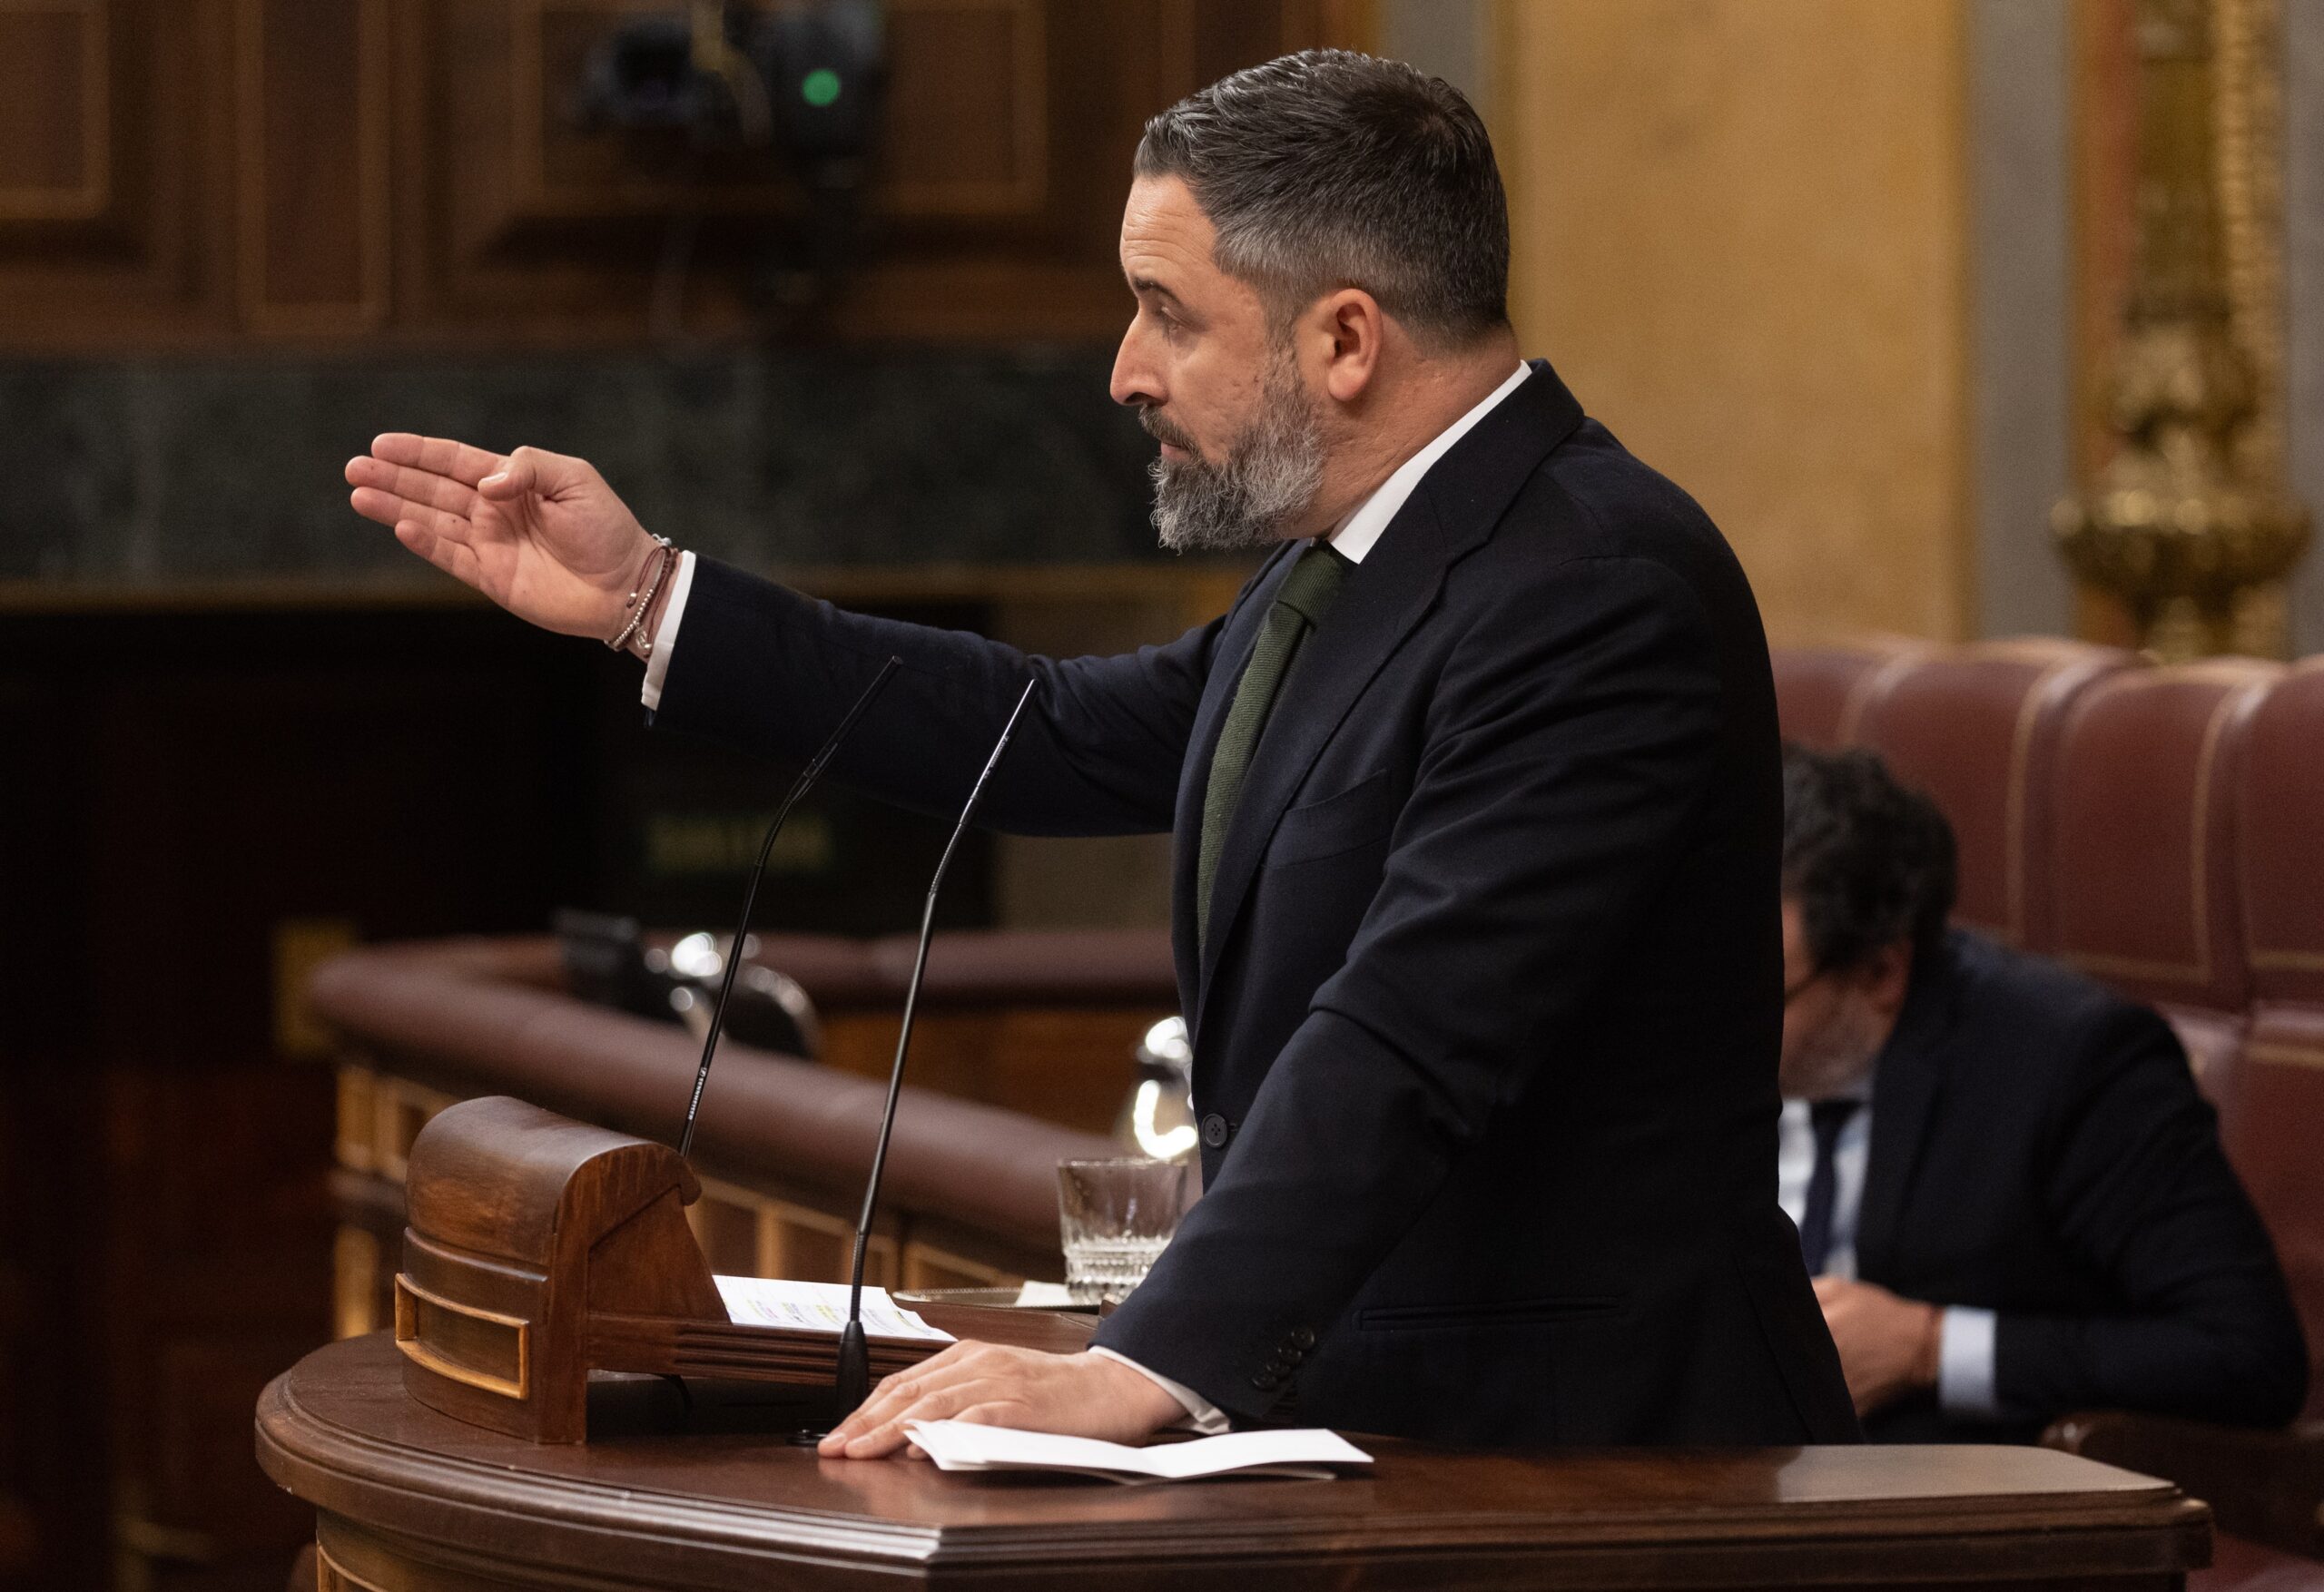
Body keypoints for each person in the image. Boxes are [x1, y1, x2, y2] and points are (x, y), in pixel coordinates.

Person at [348, 50, 1856, 1457]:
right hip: (1411, 1432)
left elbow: (1412, 1034)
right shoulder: (1358, 559)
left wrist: (1144, 1361)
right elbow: (1055, 731)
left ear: (1344, 338)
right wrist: (646, 598)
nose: (1126, 370)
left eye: (1167, 312)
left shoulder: (1596, 588)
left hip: (1604, 1459)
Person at [1777, 743, 2308, 1440]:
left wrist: (1930, 1348)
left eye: (1761, 997)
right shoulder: (1700, 1052)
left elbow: (2248, 1354)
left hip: (1949, 1481)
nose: (1708, 1027)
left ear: (1880, 973)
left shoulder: (2071, 1063)